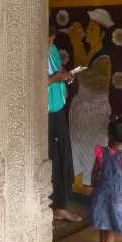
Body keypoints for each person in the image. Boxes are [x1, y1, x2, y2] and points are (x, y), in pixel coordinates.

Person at [68, 9, 114, 189]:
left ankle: (91, 184)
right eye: (88, 29)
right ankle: (79, 182)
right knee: (79, 149)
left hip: (95, 112)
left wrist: (76, 43)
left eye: (92, 30)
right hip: (81, 110)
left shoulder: (104, 58)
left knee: (93, 149)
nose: (87, 32)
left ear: (102, 34)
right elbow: (79, 70)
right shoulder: (90, 55)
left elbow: (87, 77)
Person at [48, 25, 81, 222]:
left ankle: (60, 207)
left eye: (52, 40)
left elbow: (58, 71)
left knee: (61, 156)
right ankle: (46, 208)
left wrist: (66, 76)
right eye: (49, 40)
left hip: (58, 107)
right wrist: (55, 78)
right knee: (48, 157)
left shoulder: (52, 50)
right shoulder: (31, 50)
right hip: (43, 112)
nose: (51, 44)